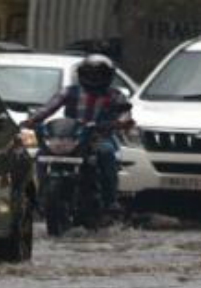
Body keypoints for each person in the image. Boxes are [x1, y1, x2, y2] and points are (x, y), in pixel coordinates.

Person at [23, 54, 133, 212]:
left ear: (108, 76)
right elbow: (48, 108)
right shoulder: (69, 92)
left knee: (107, 153)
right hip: (72, 138)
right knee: (42, 155)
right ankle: (42, 196)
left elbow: (125, 113)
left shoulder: (115, 95)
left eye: (99, 74)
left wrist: (122, 122)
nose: (94, 78)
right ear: (81, 75)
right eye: (90, 74)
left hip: (100, 139)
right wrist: (32, 120)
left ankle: (110, 200)